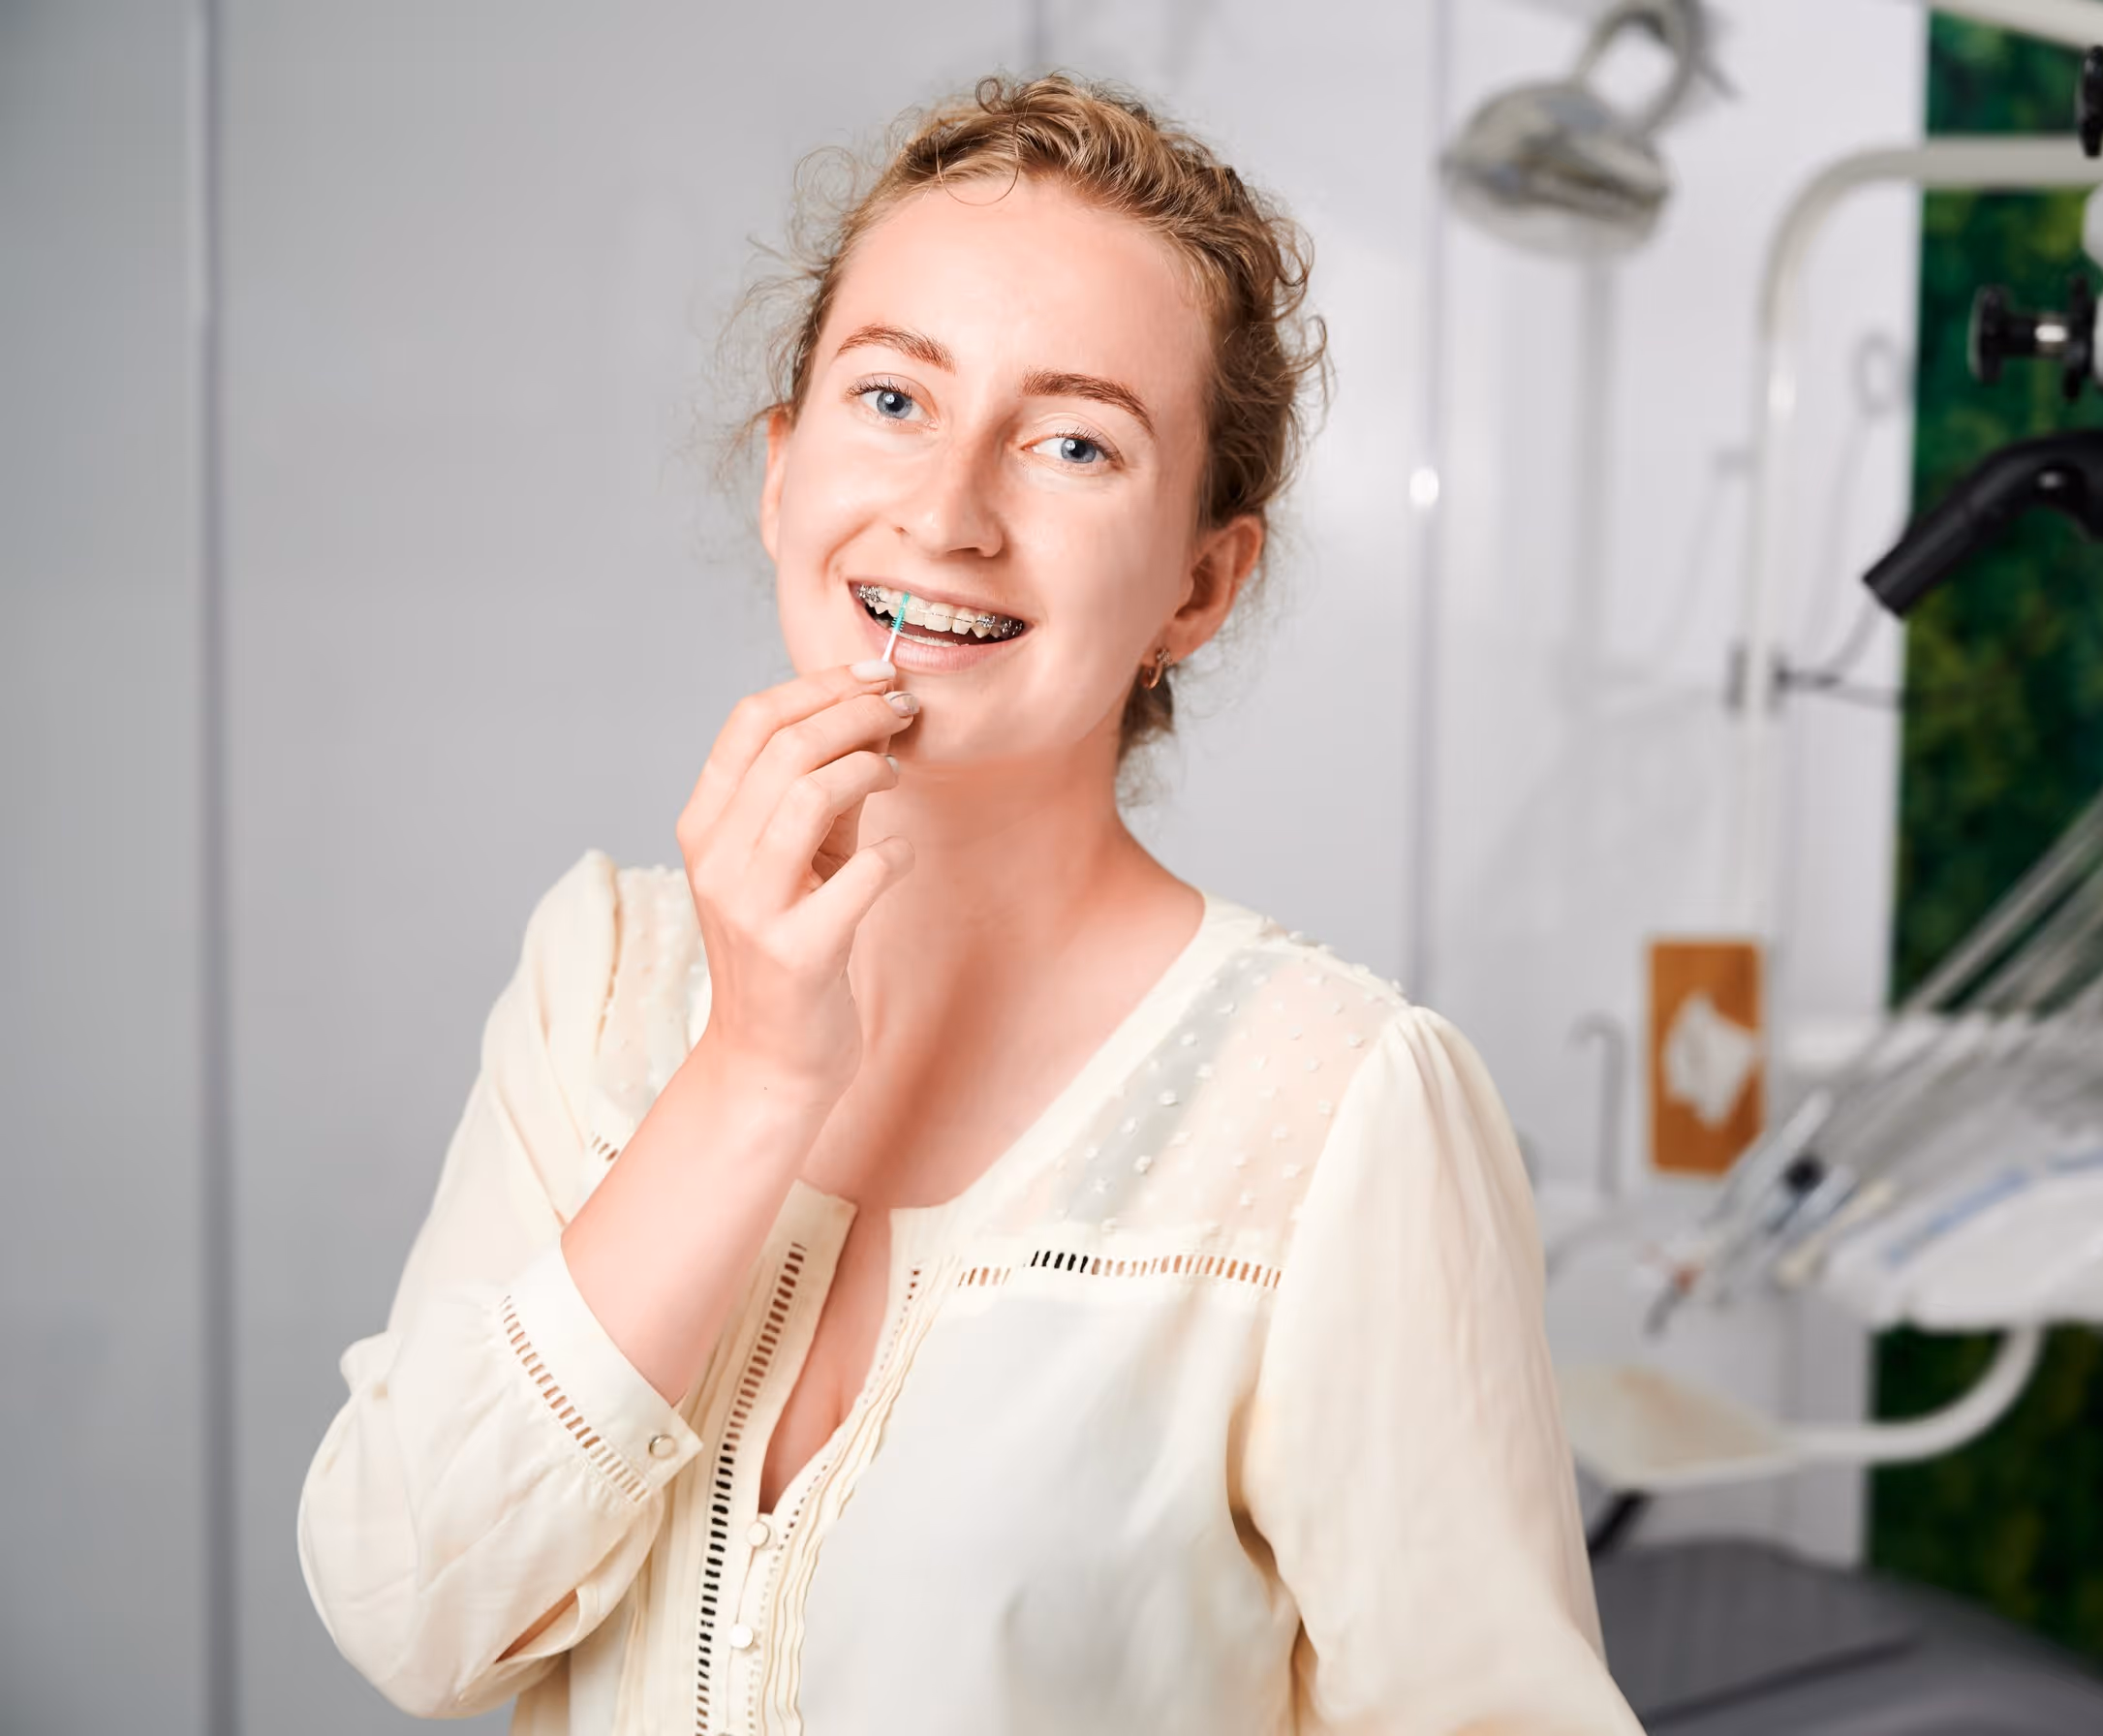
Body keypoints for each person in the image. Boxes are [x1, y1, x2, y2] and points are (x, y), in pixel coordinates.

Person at [297, 71, 1637, 1735]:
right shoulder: (604, 979)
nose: (944, 514)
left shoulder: (1340, 1115)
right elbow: (403, 1614)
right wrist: (755, 1074)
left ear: (1200, 586)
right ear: (783, 474)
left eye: (1074, 442)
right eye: (891, 399)